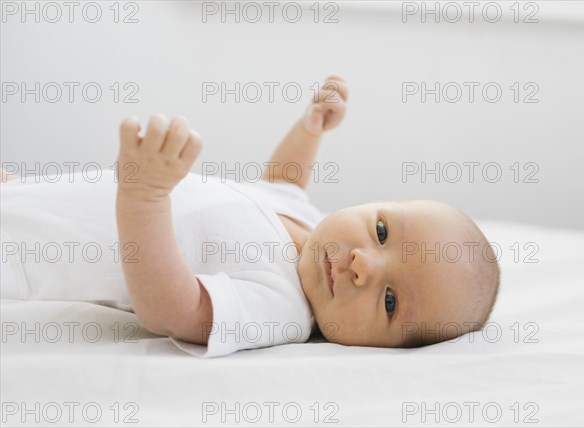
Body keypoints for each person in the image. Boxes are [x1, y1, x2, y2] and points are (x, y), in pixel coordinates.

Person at [0, 76, 500, 357]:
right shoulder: (308, 222)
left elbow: (173, 308)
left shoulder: (281, 308)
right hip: (42, 196)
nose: (363, 265)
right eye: (383, 232)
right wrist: (311, 130)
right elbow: (282, 183)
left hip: (29, 259)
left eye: (390, 301)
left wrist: (145, 199)